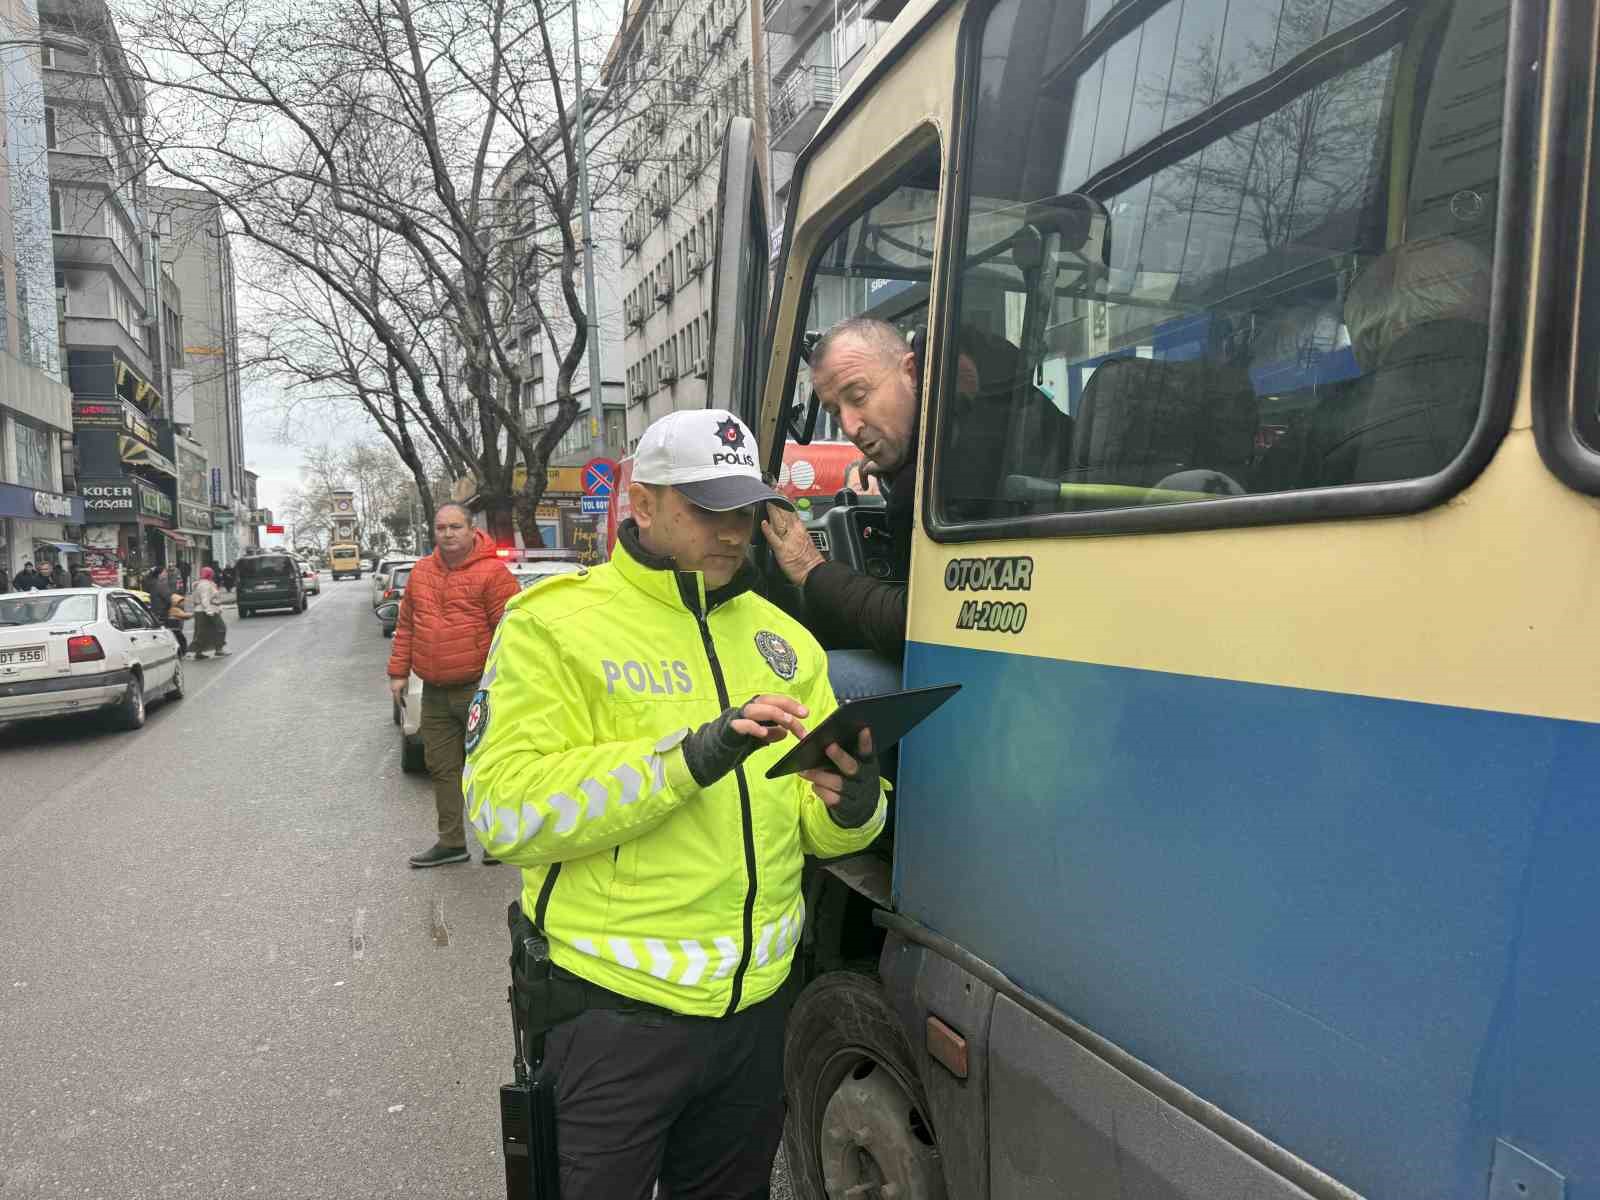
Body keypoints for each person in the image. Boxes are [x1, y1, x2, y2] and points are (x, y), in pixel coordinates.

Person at [465, 409, 888, 1199]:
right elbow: (501, 812)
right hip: (612, 1020)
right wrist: (687, 760)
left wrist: (852, 805)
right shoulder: (553, 626)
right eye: (705, 509)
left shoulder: (786, 640)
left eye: (745, 511)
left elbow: (811, 826)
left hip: (758, 1015)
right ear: (644, 503)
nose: (731, 532)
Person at [761, 317, 920, 662]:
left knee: (811, 675)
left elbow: (916, 626)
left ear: (912, 373)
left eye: (858, 396)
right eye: (834, 413)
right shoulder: (983, 438)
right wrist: (901, 469)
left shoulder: (944, 479)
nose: (849, 426)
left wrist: (812, 570)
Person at [387, 502, 520, 868]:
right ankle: (451, 842)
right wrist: (398, 672)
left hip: (479, 689)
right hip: (434, 690)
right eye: (441, 527)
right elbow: (407, 626)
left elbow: (510, 633)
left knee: (488, 766)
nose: (448, 534)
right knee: (441, 767)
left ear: (471, 529)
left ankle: (496, 840)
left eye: (455, 527)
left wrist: (507, 683)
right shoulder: (421, 572)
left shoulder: (493, 573)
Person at [189, 566, 230, 659]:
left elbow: (195, 599)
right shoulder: (205, 585)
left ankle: (199, 652)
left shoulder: (201, 583)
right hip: (208, 610)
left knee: (201, 631)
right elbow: (205, 599)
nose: (213, 574)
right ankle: (219, 649)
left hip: (200, 610)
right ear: (209, 574)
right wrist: (209, 611)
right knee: (221, 628)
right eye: (211, 573)